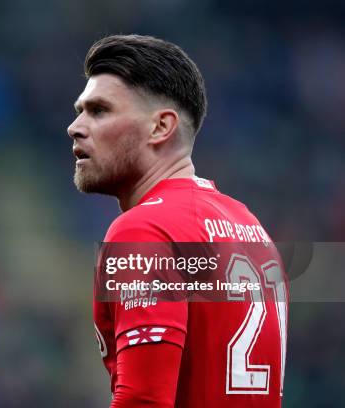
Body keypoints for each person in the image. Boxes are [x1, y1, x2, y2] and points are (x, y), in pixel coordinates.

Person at [68, 35, 288, 407]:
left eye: (99, 110)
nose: (75, 126)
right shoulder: (250, 226)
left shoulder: (142, 230)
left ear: (160, 127)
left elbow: (144, 400)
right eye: (80, 110)